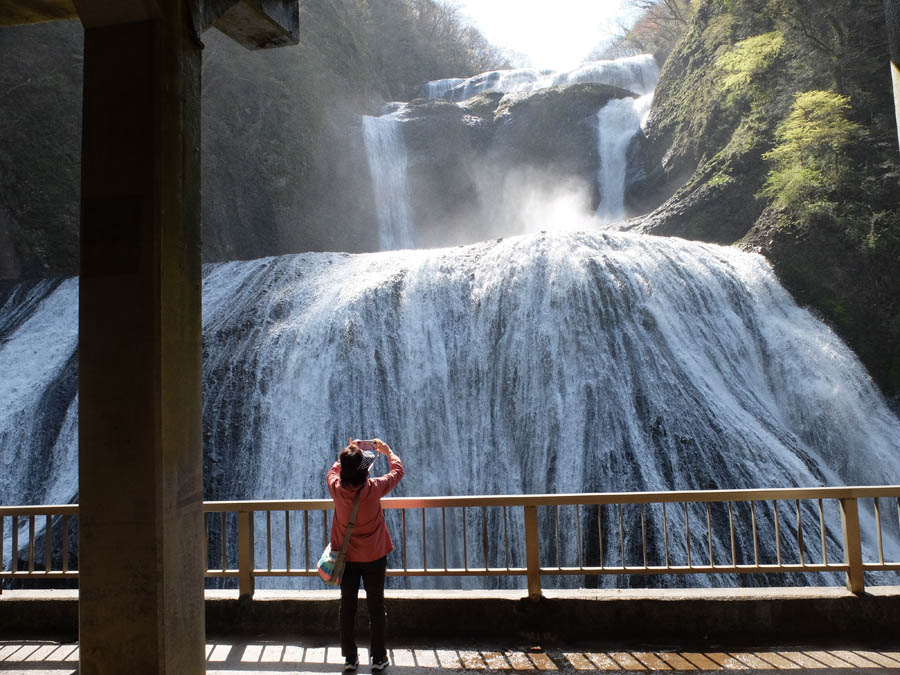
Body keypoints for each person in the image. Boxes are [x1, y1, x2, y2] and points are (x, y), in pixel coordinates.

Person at [327, 437, 404, 672]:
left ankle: (350, 658)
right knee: (376, 606)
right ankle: (379, 657)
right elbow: (398, 471)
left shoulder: (336, 489)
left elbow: (333, 470)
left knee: (347, 607)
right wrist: (388, 451)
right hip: (374, 557)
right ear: (365, 473)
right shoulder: (375, 489)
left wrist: (350, 451)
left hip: (346, 559)